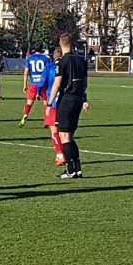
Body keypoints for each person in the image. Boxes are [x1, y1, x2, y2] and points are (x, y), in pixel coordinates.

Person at [46, 33, 90, 179]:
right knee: (69, 135)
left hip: (66, 100)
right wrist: (84, 98)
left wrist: (49, 102)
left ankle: (70, 170)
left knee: (64, 135)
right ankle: (77, 169)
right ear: (72, 44)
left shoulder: (62, 62)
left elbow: (57, 84)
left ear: (60, 44)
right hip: (78, 99)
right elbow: (84, 83)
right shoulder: (81, 61)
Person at [36, 47, 65, 166]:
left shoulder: (49, 67)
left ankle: (60, 155)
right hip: (65, 103)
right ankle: (66, 155)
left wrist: (39, 93)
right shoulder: (67, 67)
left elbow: (42, 83)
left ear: (54, 57)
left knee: (54, 131)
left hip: (52, 103)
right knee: (65, 132)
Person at [19, 45, 51, 127]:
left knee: (29, 102)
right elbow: (49, 71)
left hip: (32, 83)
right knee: (46, 103)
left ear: (34, 50)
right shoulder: (46, 59)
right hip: (43, 83)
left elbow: (26, 72)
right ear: (42, 50)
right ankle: (47, 121)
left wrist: (24, 85)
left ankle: (25, 114)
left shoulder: (30, 58)